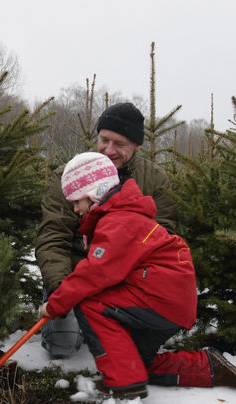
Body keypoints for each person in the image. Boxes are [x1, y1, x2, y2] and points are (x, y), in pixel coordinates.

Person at [37, 152, 236, 400]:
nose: (75, 209)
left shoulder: (119, 221)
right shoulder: (122, 216)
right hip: (170, 303)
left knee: (90, 302)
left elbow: (93, 274)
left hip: (159, 299)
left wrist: (55, 305)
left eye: (76, 201)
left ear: (93, 193)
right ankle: (209, 367)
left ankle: (125, 386)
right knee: (133, 362)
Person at [35, 102, 176, 358]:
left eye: (120, 144)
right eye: (104, 140)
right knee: (61, 346)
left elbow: (162, 240)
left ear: (137, 146)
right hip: (75, 274)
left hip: (127, 278)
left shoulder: (154, 180)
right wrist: (60, 290)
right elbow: (53, 236)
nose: (109, 150)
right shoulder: (69, 177)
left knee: (130, 351)